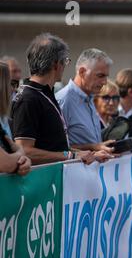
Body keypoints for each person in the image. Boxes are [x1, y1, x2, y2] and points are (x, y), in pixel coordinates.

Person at [10, 33, 96, 165]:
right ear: (56, 64)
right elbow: (24, 151)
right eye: (65, 61)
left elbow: (53, 146)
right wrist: (71, 155)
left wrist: (86, 154)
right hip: (42, 182)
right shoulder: (28, 98)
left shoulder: (44, 93)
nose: (65, 66)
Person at [56, 48, 114, 158]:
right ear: (82, 72)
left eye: (106, 76)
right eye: (100, 76)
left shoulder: (89, 96)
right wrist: (94, 148)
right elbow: (57, 149)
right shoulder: (64, 100)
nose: (105, 82)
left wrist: (102, 148)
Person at [0, 61, 31, 175]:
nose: (14, 89)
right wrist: (21, 153)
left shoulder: (5, 120)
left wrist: (25, 161)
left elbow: (13, 159)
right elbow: (5, 163)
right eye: (12, 83)